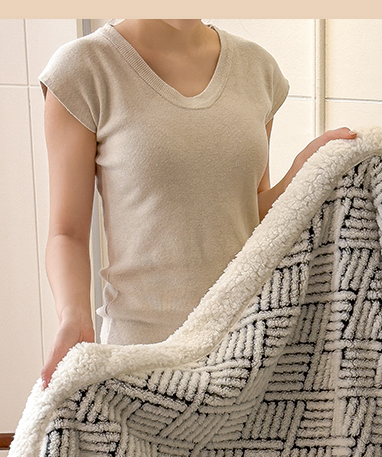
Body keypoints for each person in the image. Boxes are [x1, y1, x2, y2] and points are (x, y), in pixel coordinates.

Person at [38, 19, 357, 388]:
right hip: (142, 358)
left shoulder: (258, 69)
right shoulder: (85, 68)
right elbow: (68, 233)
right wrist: (74, 315)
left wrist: (303, 173)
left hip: (244, 353)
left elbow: (249, 216)